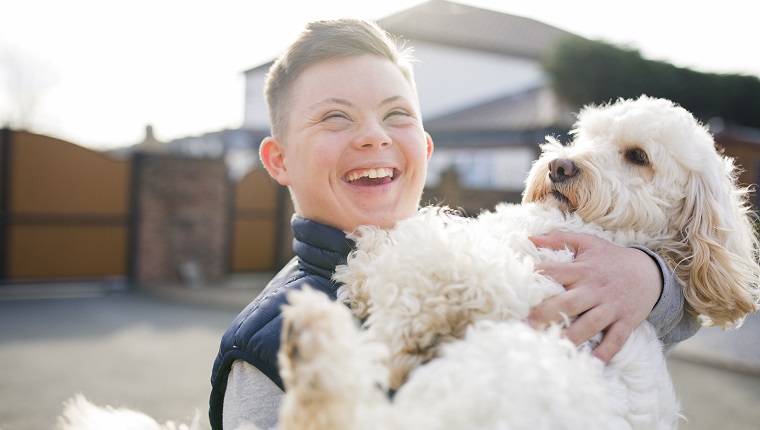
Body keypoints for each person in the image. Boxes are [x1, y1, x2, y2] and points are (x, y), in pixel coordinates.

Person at [209, 18, 699, 430]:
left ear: (424, 146)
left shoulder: (486, 247)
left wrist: (649, 279)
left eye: (395, 114)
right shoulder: (270, 346)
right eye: (335, 118)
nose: (373, 137)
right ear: (279, 161)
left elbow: (681, 314)